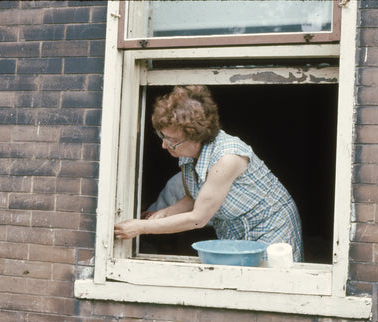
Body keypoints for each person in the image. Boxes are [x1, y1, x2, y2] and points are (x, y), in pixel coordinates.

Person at [114, 85, 304, 261]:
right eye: (162, 136)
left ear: (196, 137)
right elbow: (194, 196)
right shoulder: (187, 153)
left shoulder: (227, 158)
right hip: (236, 230)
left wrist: (142, 228)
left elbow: (198, 218)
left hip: (271, 227)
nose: (164, 145)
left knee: (268, 286)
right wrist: (166, 212)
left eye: (172, 140)